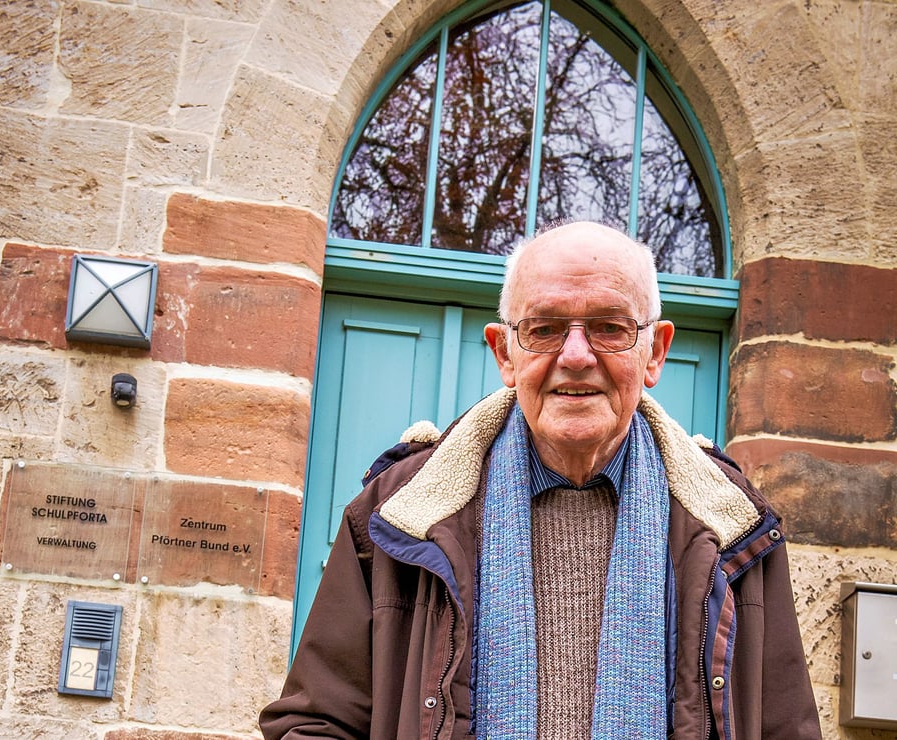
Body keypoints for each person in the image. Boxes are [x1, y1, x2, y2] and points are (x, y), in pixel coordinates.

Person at [259, 221, 821, 739]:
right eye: (545, 328)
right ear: (505, 353)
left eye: (609, 327)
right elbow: (316, 723)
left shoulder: (734, 526)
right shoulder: (398, 510)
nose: (575, 356)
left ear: (656, 352)